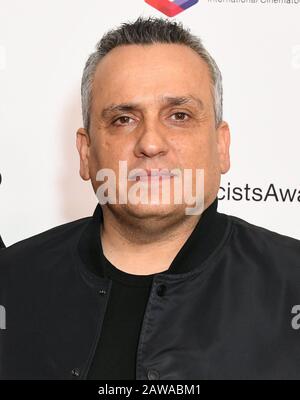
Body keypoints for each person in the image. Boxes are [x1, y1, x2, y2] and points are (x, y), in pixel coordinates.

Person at [0, 16, 299, 380]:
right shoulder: (11, 280)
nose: (151, 144)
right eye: (124, 119)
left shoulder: (291, 281)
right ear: (85, 151)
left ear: (221, 146)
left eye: (179, 115)